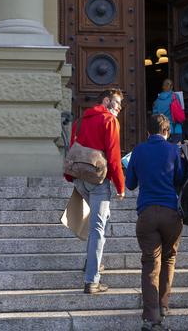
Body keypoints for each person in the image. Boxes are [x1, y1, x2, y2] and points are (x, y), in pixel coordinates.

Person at [64, 88, 126, 294]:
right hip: (99, 181)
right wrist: (120, 185)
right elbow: (114, 157)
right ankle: (92, 280)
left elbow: (73, 150)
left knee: (99, 222)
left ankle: (92, 262)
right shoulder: (110, 121)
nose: (118, 108)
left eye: (120, 105)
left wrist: (70, 176)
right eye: (116, 102)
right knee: (98, 228)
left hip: (80, 179)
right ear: (106, 100)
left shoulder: (79, 122)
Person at [126, 114, 184, 331]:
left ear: (148, 132)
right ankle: (163, 305)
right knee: (169, 258)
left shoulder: (139, 150)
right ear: (167, 131)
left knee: (150, 264)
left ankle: (151, 316)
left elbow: (130, 184)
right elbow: (179, 179)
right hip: (171, 213)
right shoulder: (173, 150)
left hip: (147, 214)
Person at [152, 79, 183, 144]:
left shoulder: (157, 101)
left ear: (163, 87)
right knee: (176, 150)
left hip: (163, 130)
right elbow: (180, 111)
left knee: (165, 151)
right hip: (176, 128)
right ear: (171, 87)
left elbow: (155, 117)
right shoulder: (175, 96)